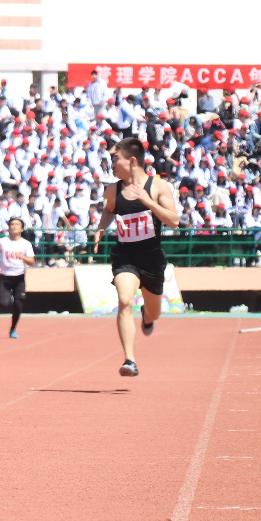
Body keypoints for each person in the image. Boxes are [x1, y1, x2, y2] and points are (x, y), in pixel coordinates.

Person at [93, 137, 179, 377]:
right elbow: (109, 209)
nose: (112, 165)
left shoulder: (158, 186)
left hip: (151, 258)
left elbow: (173, 220)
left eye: (115, 159)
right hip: (125, 257)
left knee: (154, 312)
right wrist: (101, 228)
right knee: (124, 300)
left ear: (132, 161)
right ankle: (130, 360)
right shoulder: (113, 189)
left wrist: (147, 201)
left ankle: (148, 317)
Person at [0, 217, 34, 338]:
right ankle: (10, 298)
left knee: (19, 305)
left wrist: (22, 257)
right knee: (3, 304)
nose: (14, 226)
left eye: (17, 224)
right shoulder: (2, 242)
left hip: (19, 278)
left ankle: (13, 329)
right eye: (12, 224)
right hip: (5, 278)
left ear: (22, 229)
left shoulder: (26, 244)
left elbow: (32, 261)